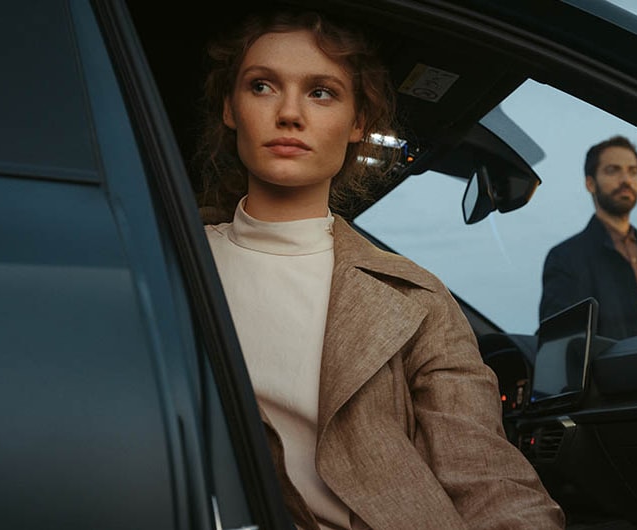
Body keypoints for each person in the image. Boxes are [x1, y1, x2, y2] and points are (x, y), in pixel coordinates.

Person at [195, 9, 564, 530]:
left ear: (358, 123)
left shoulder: (415, 297)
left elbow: (487, 477)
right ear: (231, 107)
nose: (290, 113)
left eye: (321, 92)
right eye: (262, 86)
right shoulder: (164, 262)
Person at [539, 135, 637, 340]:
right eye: (613, 170)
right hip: (616, 371)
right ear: (590, 183)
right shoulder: (565, 257)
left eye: (633, 171)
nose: (626, 180)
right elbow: (560, 343)